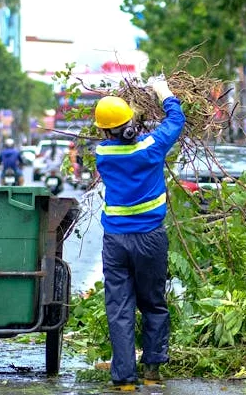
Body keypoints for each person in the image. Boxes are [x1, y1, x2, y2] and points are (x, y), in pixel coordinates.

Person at [93, 79, 185, 390]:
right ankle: (153, 371)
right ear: (132, 123)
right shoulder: (151, 148)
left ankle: (124, 380)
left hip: (115, 241)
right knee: (153, 303)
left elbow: (121, 139)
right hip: (150, 239)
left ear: (105, 131)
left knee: (119, 308)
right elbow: (176, 120)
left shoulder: (103, 154)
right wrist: (164, 92)